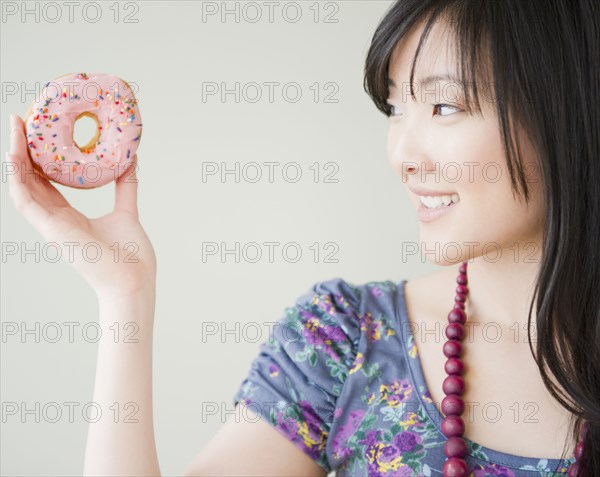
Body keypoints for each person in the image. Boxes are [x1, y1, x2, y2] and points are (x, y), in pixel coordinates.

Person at [6, 0, 599, 476]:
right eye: (395, 108)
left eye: (444, 106)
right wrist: (125, 297)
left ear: (563, 110)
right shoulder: (340, 340)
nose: (403, 156)